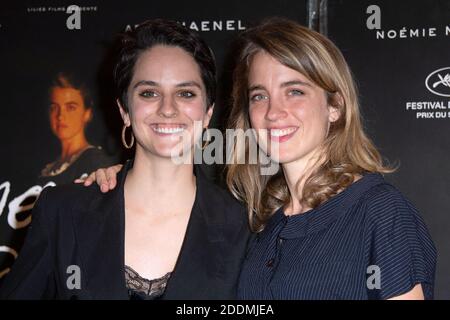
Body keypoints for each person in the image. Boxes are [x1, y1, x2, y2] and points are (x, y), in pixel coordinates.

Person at [82, 18, 437, 300]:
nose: (274, 112)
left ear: (335, 106)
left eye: (294, 91)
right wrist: (123, 181)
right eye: (259, 96)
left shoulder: (380, 213)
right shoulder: (263, 223)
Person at [0, 19, 249, 300]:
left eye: (186, 93)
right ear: (125, 110)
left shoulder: (242, 227)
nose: (168, 109)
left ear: (207, 113)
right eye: (149, 93)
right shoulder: (63, 213)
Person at [38, 72, 115, 186]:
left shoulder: (95, 162)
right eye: (54, 107)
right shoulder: (46, 165)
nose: (60, 116)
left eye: (70, 107)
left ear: (87, 113)